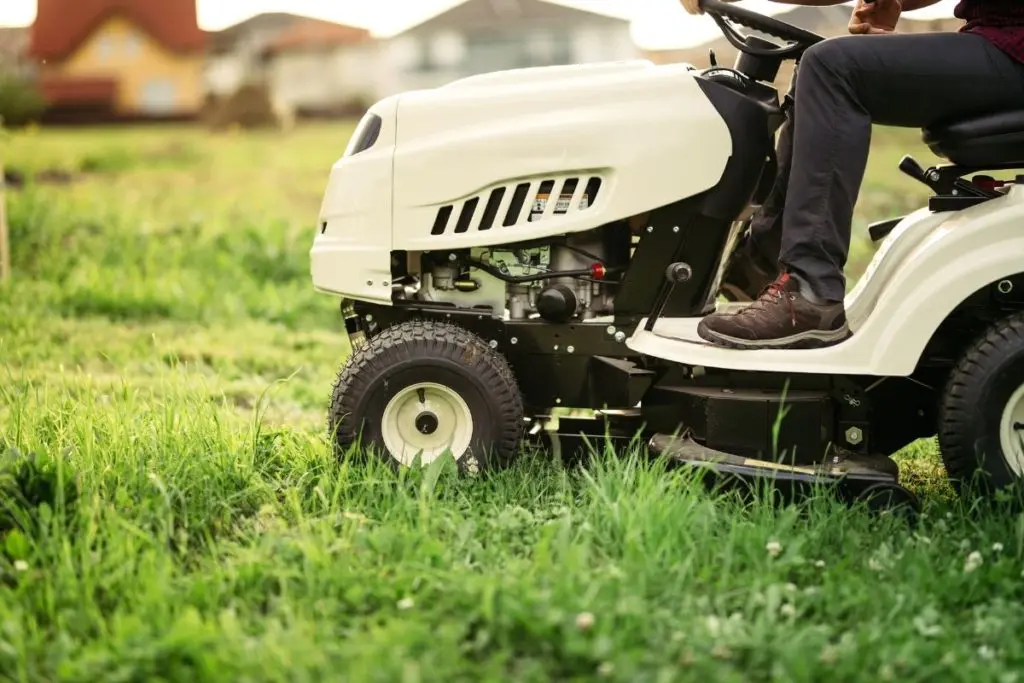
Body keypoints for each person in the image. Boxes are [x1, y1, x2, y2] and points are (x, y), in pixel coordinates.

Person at [677, 0, 1024, 349]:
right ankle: (761, 266)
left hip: (1014, 50)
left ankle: (811, 292)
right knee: (817, 65)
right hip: (1001, 43)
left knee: (831, 66)